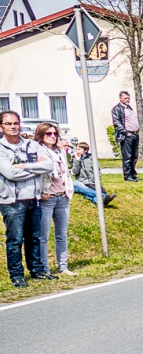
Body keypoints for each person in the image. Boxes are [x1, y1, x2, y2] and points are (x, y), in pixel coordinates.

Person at [0, 111, 54, 286]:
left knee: (34, 237)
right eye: (8, 124)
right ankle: (16, 275)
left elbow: (48, 165)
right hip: (12, 201)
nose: (13, 126)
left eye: (16, 123)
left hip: (34, 198)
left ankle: (37, 270)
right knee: (15, 240)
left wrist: (24, 166)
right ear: (1, 126)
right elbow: (10, 173)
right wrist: (35, 169)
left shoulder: (32, 145)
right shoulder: (1, 148)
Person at [34, 123, 76, 276]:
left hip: (62, 196)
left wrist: (67, 190)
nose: (52, 136)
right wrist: (40, 193)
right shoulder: (37, 151)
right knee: (43, 236)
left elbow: (66, 173)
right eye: (48, 134)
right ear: (41, 135)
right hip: (47, 197)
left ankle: (63, 267)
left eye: (54, 134)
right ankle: (44, 268)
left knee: (61, 234)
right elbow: (35, 174)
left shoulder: (60, 152)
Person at [110, 91, 140, 182]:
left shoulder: (129, 108)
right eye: (126, 98)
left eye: (128, 98)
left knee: (134, 156)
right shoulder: (117, 109)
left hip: (135, 134)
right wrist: (126, 132)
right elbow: (116, 123)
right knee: (127, 156)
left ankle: (133, 174)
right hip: (126, 135)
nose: (128, 100)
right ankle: (127, 176)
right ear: (120, 98)